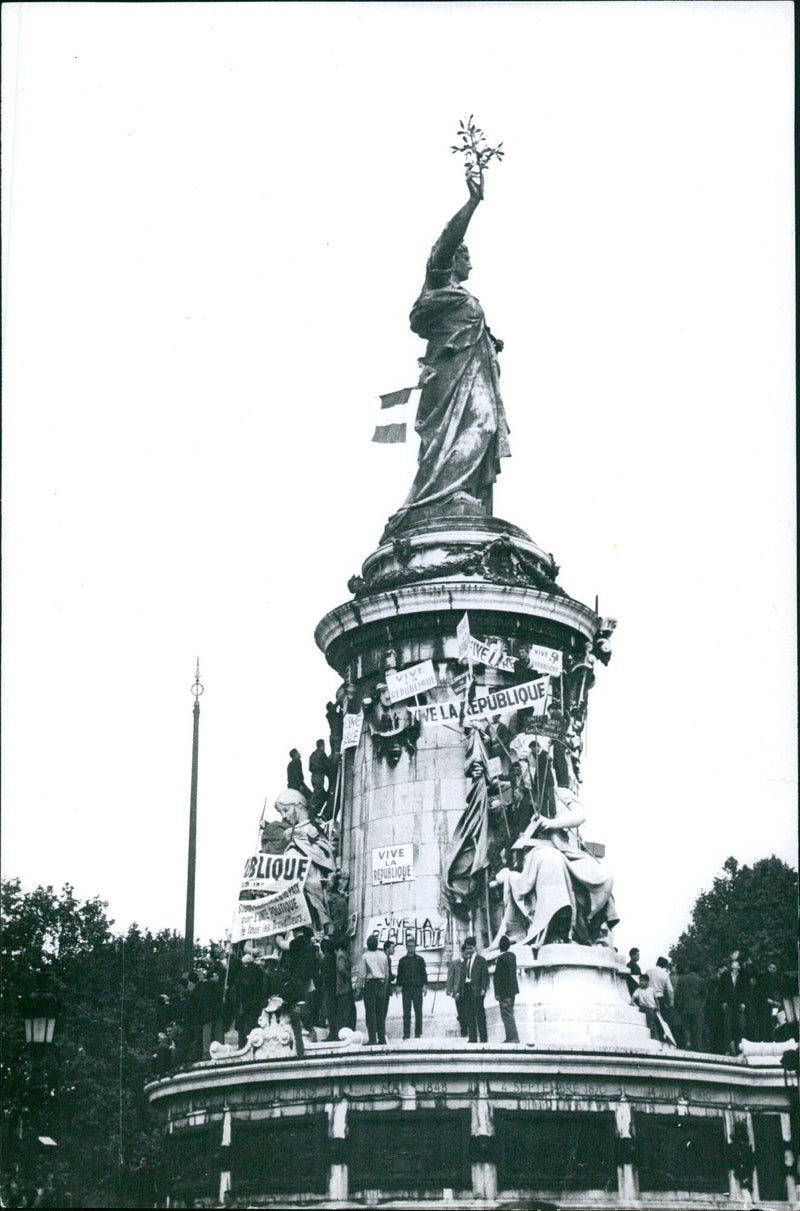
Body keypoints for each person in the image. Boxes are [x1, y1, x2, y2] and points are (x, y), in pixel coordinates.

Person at [383, 173, 510, 538]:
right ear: (452, 259)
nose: (471, 264)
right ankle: (440, 496)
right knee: (477, 426)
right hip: (448, 379)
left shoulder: (463, 299)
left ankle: (461, 493)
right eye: (466, 256)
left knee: (480, 428)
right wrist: (472, 204)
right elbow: (445, 241)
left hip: (474, 376)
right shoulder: (439, 284)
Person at [490, 786, 618, 949]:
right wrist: (501, 866)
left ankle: (593, 928)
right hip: (534, 851)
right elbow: (504, 837)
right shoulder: (520, 799)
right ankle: (555, 930)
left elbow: (579, 815)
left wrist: (552, 823)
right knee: (551, 860)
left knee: (602, 874)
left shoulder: (560, 793)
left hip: (565, 849)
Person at [356, 935, 390, 1045]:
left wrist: (358, 988)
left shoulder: (365, 956)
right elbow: (387, 974)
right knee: (380, 1012)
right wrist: (384, 986)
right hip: (381, 984)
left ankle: (372, 1038)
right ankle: (382, 1038)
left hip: (370, 985)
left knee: (370, 1013)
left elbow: (362, 974)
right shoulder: (383, 956)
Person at [459, 936, 490, 1043]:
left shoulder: (481, 960)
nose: (468, 950)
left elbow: (485, 976)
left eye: (470, 948)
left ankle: (483, 1038)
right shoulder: (464, 961)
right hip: (467, 990)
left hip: (477, 990)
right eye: (467, 948)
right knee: (469, 1014)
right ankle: (472, 1038)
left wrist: (483, 989)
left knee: (480, 1014)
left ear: (474, 947)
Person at [396, 937, 428, 1039]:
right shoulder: (402, 961)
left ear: (415, 947)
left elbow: (424, 974)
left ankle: (418, 1033)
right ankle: (406, 1033)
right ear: (406, 947)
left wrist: (425, 986)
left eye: (413, 946)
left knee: (418, 1012)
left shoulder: (420, 960)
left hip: (417, 989)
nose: (411, 948)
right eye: (409, 946)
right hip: (406, 989)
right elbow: (399, 975)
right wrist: (398, 986)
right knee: (406, 1012)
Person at [493, 935, 520, 1043]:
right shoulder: (512, 956)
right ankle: (512, 1037)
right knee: (510, 1013)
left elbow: (498, 977)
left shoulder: (501, 959)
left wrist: (497, 992)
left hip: (504, 992)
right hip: (512, 990)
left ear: (500, 946)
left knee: (507, 1015)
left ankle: (512, 1037)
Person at [673, 965, 706, 1051]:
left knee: (686, 1026)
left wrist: (678, 1005)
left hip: (685, 1006)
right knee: (697, 1027)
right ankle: (697, 1046)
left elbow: (677, 994)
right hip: (697, 1007)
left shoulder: (682, 979)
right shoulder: (701, 980)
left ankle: (688, 1042)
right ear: (698, 971)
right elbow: (704, 995)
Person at [333, 941, 357, 1038]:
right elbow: (341, 969)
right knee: (345, 1012)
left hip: (345, 988)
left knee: (349, 1011)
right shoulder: (341, 955)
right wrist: (349, 976)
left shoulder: (343, 955)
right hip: (344, 988)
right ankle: (343, 1032)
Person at [446, 942, 469, 1037]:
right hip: (457, 991)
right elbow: (450, 976)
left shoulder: (470, 962)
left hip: (468, 989)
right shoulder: (455, 963)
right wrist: (449, 989)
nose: (468, 955)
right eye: (466, 953)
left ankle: (466, 1026)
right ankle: (463, 1027)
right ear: (462, 952)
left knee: (468, 1009)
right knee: (460, 1009)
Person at [383, 939, 397, 1022]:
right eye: (392, 947)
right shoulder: (387, 959)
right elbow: (388, 974)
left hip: (382, 987)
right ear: (387, 948)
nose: (394, 949)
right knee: (384, 1009)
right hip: (385, 987)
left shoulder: (384, 957)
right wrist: (393, 976)